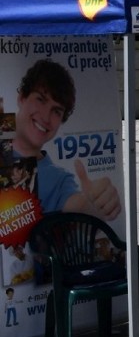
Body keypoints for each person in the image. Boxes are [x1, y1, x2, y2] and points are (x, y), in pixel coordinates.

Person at [13, 60, 121, 221]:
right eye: (40, 99)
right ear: (22, 97)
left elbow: (79, 205)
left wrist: (98, 204)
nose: (45, 117)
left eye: (56, 111)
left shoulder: (59, 179)